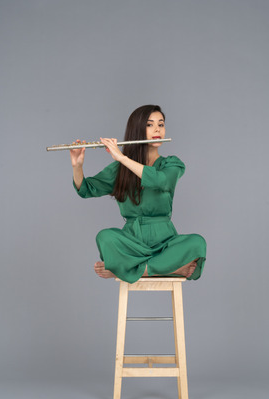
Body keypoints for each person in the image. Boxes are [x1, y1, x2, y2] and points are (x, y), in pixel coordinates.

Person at [70, 105, 206, 284]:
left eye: (161, 124)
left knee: (197, 242)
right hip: (132, 243)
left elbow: (162, 181)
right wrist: (77, 165)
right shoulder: (120, 170)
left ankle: (126, 269)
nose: (157, 129)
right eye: (150, 125)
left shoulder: (172, 164)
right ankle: (170, 269)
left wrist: (122, 158)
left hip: (165, 242)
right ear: (138, 130)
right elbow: (86, 189)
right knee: (105, 237)